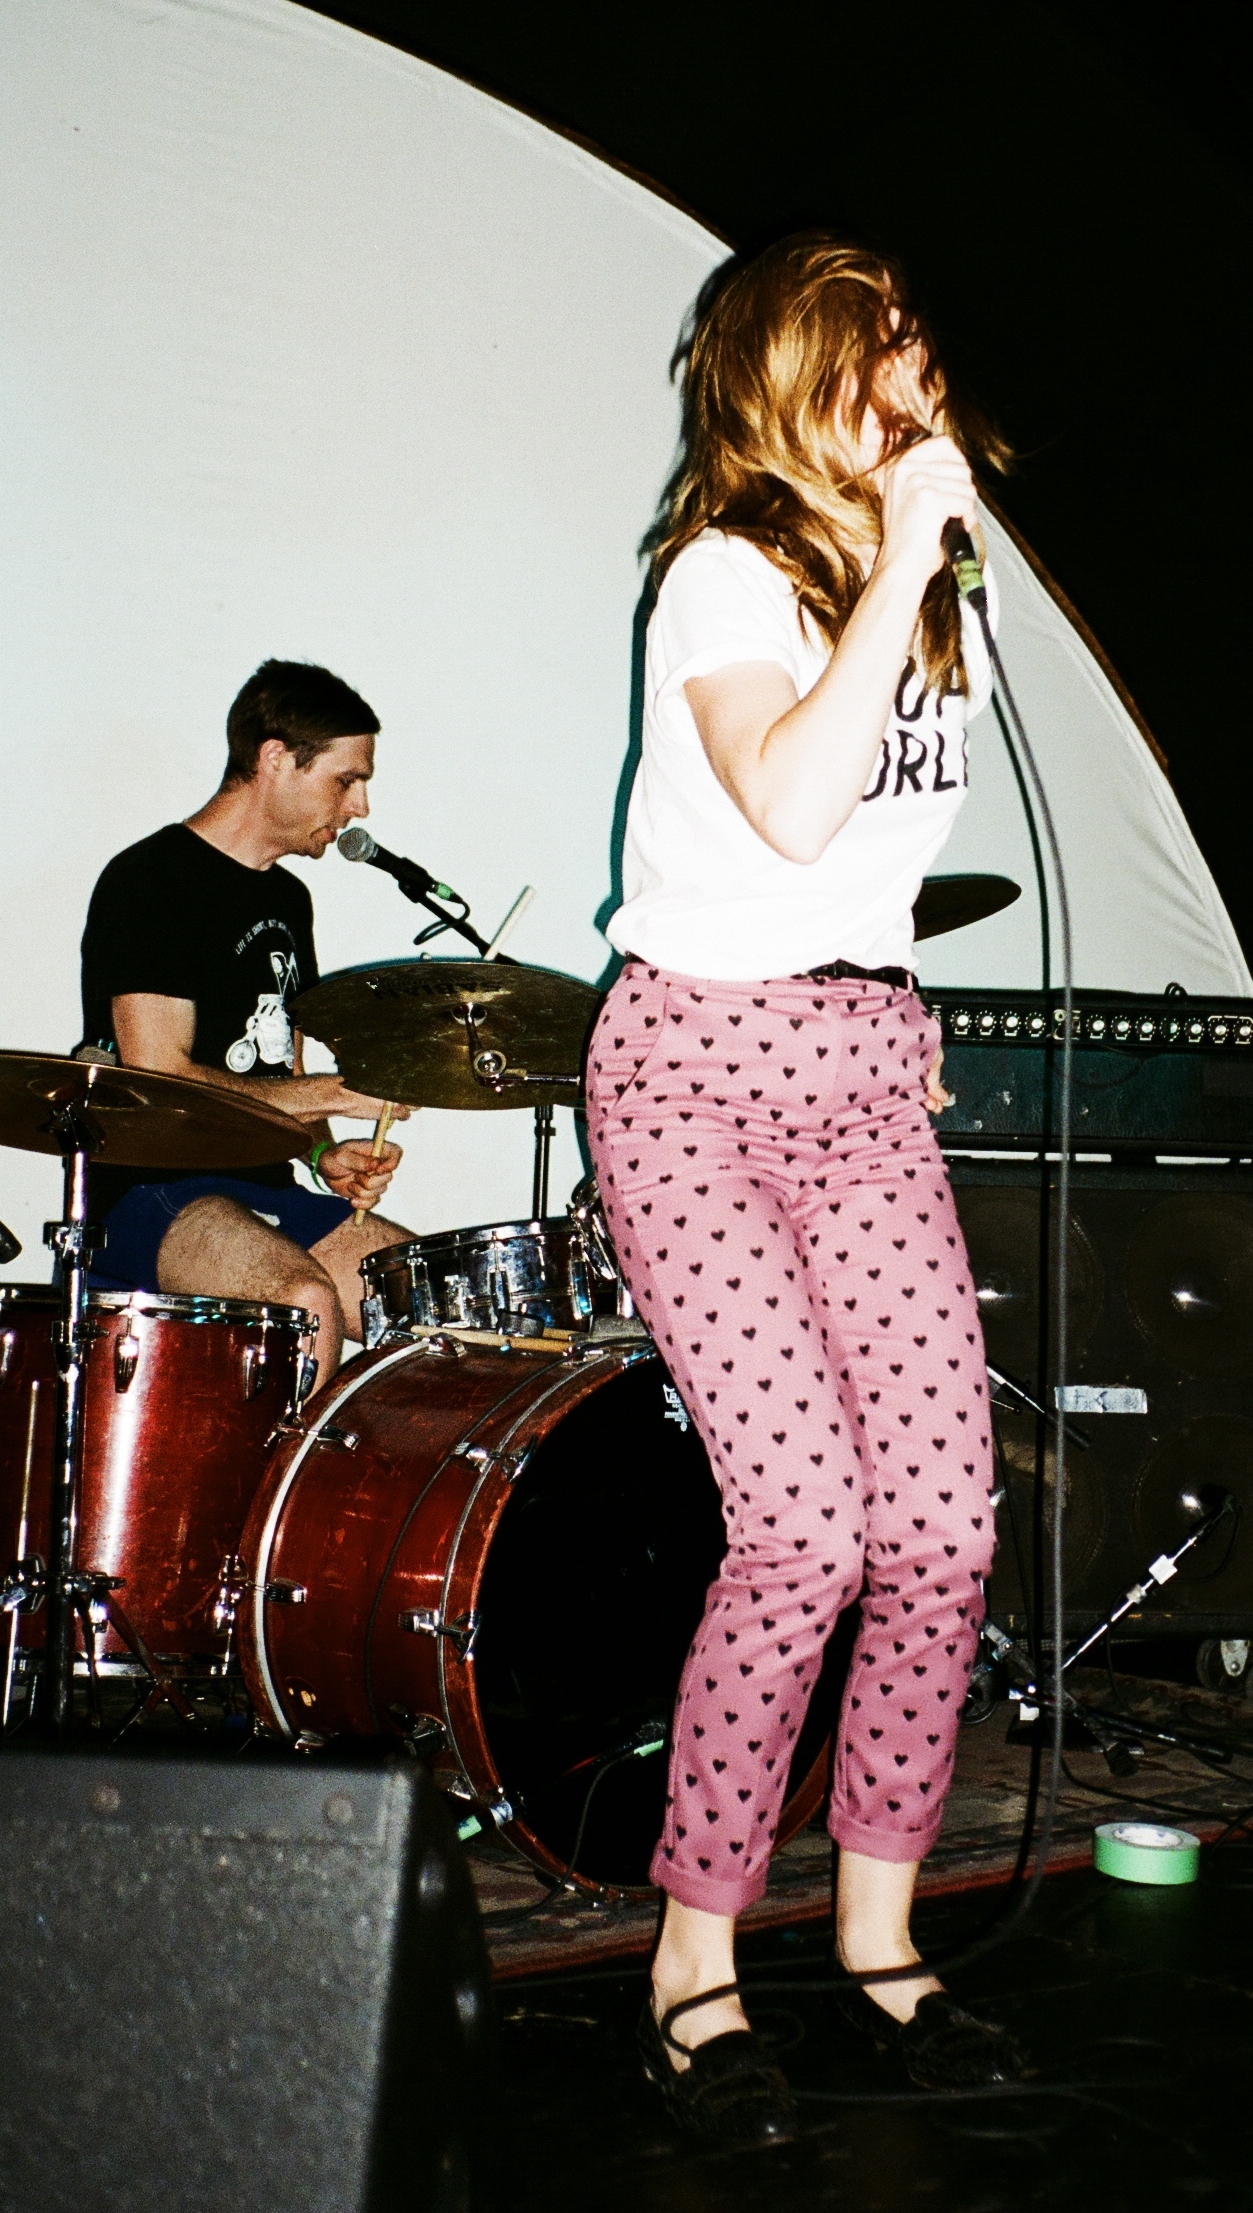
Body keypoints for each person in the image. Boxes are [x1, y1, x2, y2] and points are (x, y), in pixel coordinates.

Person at [586, 235, 1025, 2143]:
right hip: (688, 1066)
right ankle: (694, 1964)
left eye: (921, 350)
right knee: (806, 1531)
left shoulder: (925, 595)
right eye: (879, 356)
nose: (913, 385)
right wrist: (902, 548)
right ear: (789, 378)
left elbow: (863, 853)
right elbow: (782, 795)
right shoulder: (718, 577)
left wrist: (885, 997)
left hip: (852, 1068)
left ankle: (876, 1938)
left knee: (941, 1527)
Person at [80, 658, 413, 1372]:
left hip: (265, 1186)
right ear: (274, 760)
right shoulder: (150, 880)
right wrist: (336, 1090)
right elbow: (157, 1072)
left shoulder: (289, 900)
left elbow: (281, 1068)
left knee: (426, 1297)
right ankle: (279, 1490)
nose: (358, 807)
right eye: (345, 779)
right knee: (301, 1300)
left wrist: (323, 1152)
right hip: (150, 1190)